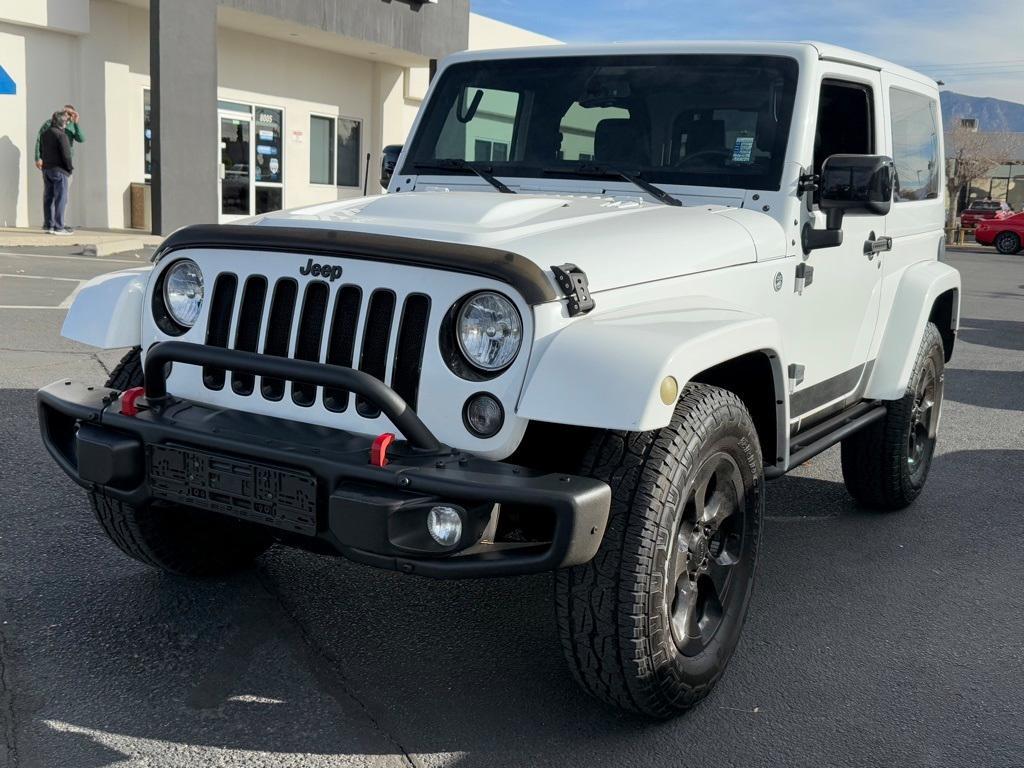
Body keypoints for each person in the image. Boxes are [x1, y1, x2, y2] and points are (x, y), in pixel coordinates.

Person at [34, 104, 84, 232]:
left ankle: (55, 223)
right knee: (54, 196)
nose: (68, 116)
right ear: (62, 113)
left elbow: (81, 139)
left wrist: (76, 123)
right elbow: (40, 139)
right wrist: (38, 157)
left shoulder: (71, 125)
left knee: (61, 196)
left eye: (71, 113)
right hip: (60, 166)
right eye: (66, 113)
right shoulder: (50, 125)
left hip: (56, 166)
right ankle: (55, 225)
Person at [39, 111, 74, 235]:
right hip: (59, 170)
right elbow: (67, 154)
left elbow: (42, 151)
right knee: (61, 198)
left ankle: (49, 225)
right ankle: (59, 227)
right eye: (65, 120)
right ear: (61, 122)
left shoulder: (45, 134)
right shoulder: (61, 135)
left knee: (48, 197)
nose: (67, 122)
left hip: (47, 169)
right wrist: (69, 168)